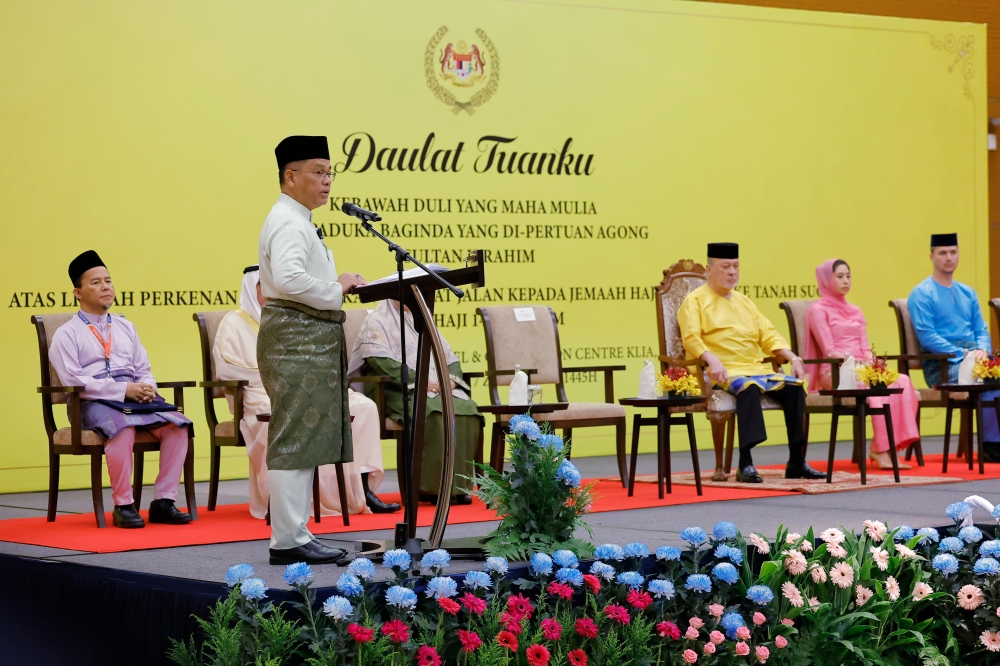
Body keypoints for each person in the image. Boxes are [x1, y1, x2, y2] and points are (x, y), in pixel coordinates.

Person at [257, 135, 367, 565]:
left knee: (301, 439)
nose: (326, 181)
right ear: (290, 176)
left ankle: (296, 533)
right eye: (318, 172)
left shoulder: (298, 218)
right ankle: (288, 539)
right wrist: (335, 287)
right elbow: (286, 280)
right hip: (294, 337)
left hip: (305, 337)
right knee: (294, 437)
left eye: (329, 172)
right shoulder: (287, 220)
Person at [213, 265, 400, 518]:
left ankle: (362, 489)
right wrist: (281, 377)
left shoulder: (292, 319)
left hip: (306, 388)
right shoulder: (233, 322)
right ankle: (295, 498)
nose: (271, 292)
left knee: (363, 406)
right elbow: (228, 370)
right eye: (264, 287)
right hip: (262, 395)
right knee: (286, 416)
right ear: (252, 289)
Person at [49, 251, 193, 528]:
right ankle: (124, 505)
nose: (105, 287)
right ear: (78, 293)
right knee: (123, 426)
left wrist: (147, 387)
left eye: (108, 281)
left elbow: (143, 368)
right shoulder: (66, 334)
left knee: (179, 425)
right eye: (96, 282)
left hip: (133, 396)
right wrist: (123, 390)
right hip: (92, 401)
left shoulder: (126, 326)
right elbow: (75, 381)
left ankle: (164, 501)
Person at [677, 242, 825, 483]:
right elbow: (691, 338)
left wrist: (793, 358)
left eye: (736, 267)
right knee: (748, 388)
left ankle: (796, 460)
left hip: (755, 368)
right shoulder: (695, 301)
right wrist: (711, 359)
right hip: (723, 371)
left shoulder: (744, 301)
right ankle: (745, 463)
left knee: (795, 388)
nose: (732, 272)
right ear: (709, 269)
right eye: (725, 267)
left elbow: (768, 335)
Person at [349, 299, 483, 504]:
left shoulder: (421, 320)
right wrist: (420, 379)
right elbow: (378, 361)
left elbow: (449, 357)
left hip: (432, 386)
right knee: (432, 412)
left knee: (467, 409)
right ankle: (430, 488)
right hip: (394, 390)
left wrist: (451, 380)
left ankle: (456, 488)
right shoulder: (377, 320)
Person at [803, 259, 919, 469]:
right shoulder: (818, 310)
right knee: (874, 387)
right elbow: (829, 349)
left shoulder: (856, 310)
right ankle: (882, 449)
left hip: (861, 369)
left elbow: (865, 347)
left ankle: (886, 445)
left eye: (848, 276)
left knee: (901, 380)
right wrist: (858, 365)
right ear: (827, 280)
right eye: (839, 277)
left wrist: (875, 365)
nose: (846, 281)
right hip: (836, 372)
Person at [908, 233, 1000, 462]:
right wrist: (964, 355)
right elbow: (927, 335)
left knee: (990, 376)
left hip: (976, 359)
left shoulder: (968, 292)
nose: (948, 257)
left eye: (953, 252)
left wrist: (982, 351)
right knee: (983, 379)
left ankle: (993, 442)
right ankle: (990, 445)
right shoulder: (921, 293)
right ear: (932, 256)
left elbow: (981, 329)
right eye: (942, 253)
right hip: (942, 363)